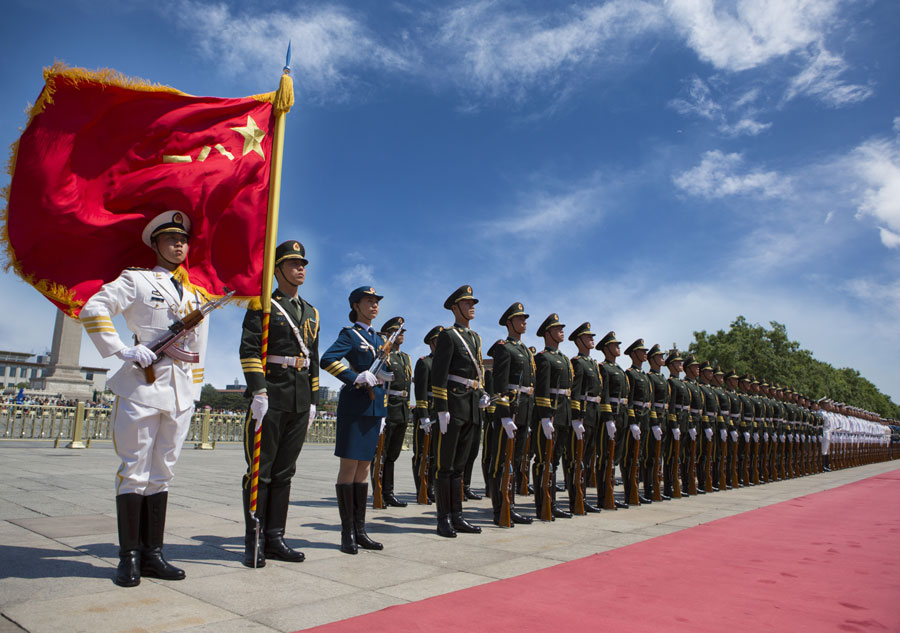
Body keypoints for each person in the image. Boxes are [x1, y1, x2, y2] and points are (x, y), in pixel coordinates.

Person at [81, 211, 210, 587]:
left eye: (183, 240)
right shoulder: (137, 280)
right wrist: (122, 350)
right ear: (155, 244)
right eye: (170, 239)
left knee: (162, 473)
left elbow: (199, 348)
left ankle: (154, 553)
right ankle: (129, 557)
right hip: (141, 386)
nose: (179, 245)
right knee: (134, 472)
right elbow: (95, 308)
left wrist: (194, 393)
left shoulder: (198, 295)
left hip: (180, 391)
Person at [239, 240, 319, 567]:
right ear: (277, 269)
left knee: (285, 472)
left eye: (302, 264)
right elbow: (249, 349)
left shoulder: (311, 311)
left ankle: (276, 537)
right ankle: (255, 540)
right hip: (271, 393)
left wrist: (314, 399)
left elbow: (312, 358)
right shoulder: (263, 304)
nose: (300, 268)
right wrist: (258, 390)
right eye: (293, 263)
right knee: (261, 472)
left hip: (299, 397)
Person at [321, 287, 388, 554]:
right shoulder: (350, 334)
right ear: (356, 305)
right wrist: (354, 376)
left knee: (364, 470)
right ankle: (347, 532)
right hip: (355, 405)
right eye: (369, 301)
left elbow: (385, 375)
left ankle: (361, 530)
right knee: (349, 468)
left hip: (374, 408)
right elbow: (327, 359)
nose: (374, 305)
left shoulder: (381, 338)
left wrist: (383, 411)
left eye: (376, 302)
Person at [431, 285, 488, 537]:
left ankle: (458, 516)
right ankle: (443, 518)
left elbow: (477, 372)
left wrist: (482, 392)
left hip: (472, 406)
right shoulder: (449, 335)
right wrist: (441, 408)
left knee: (460, 465)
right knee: (445, 465)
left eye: (472, 302)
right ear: (455, 308)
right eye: (467, 303)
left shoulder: (475, 337)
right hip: (453, 406)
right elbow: (439, 374)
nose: (472, 306)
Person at [486, 303, 536, 526]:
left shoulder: (525, 350)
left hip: (525, 409)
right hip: (510, 411)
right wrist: (504, 414)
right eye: (520, 319)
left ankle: (511, 505)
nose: (524, 322)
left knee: (515, 460)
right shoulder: (504, 348)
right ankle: (500, 509)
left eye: (525, 319)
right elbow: (500, 384)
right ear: (509, 323)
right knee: (501, 461)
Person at [533, 313, 574, 520]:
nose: (562, 331)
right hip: (550, 415)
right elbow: (541, 390)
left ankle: (553, 503)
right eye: (558, 329)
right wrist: (545, 416)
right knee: (544, 460)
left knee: (555, 461)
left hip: (564, 415)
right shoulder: (543, 358)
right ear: (548, 333)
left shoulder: (565, 359)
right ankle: (543, 504)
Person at [374, 316, 411, 508]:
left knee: (393, 454)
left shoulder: (405, 357)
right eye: (398, 332)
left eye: (403, 332)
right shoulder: (384, 354)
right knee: (382, 452)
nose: (402, 335)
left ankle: (388, 491)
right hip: (389, 407)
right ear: (389, 334)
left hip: (402, 408)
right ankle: (378, 490)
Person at [569, 322, 603, 513]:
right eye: (588, 337)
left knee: (588, 458)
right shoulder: (578, 362)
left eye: (592, 336)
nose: (592, 339)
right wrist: (576, 417)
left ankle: (583, 497)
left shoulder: (593, 364)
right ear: (579, 340)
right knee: (578, 458)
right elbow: (576, 392)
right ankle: (576, 499)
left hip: (594, 412)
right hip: (583, 413)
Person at [596, 331, 629, 509]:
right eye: (615, 345)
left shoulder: (620, 370)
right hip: (611, 415)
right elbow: (605, 395)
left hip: (621, 415)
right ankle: (603, 496)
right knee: (605, 457)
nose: (618, 347)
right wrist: (608, 418)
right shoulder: (604, 368)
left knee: (615, 456)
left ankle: (609, 493)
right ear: (606, 348)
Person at [412, 326, 443, 503]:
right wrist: (424, 414)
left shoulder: (446, 363)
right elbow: (420, 390)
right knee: (423, 452)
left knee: (436, 453)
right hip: (428, 411)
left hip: (441, 412)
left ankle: (433, 486)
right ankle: (422, 488)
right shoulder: (425, 363)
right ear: (432, 343)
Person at [624, 339, 652, 505]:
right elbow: (630, 400)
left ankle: (636, 490)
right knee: (631, 457)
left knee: (640, 456)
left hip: (645, 418)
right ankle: (630, 492)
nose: (645, 354)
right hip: (636, 419)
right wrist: (633, 421)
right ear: (634, 354)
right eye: (642, 351)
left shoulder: (644, 376)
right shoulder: (631, 374)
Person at [645, 344, 669, 501]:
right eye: (660, 356)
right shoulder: (650, 378)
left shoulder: (662, 379)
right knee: (650, 457)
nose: (662, 358)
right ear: (652, 359)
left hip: (664, 419)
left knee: (660, 455)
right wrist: (654, 422)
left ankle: (656, 487)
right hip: (655, 420)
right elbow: (651, 402)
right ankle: (648, 489)